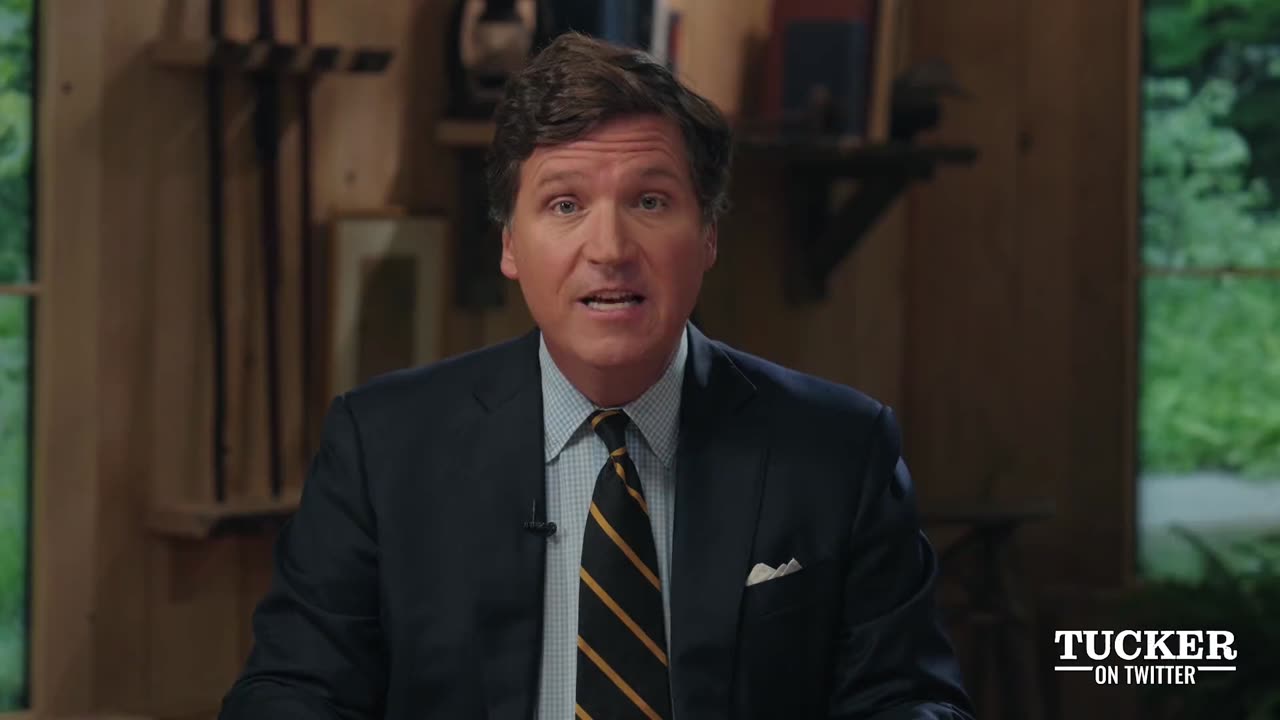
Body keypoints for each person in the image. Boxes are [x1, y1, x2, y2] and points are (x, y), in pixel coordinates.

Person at [220, 32, 974, 720]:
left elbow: (908, 699)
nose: (609, 248)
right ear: (510, 244)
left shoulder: (841, 449)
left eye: (650, 201)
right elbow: (292, 692)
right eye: (565, 204)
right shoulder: (382, 448)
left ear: (708, 235)